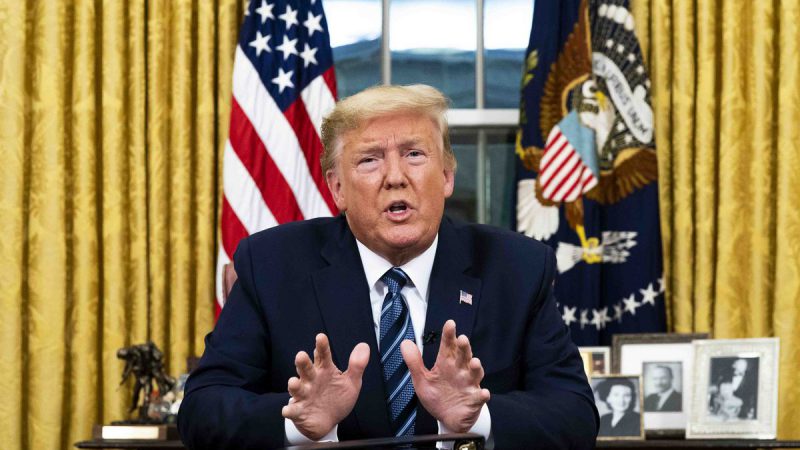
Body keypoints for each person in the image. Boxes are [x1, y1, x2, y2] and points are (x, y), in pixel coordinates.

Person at [177, 84, 599, 449]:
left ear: (447, 176)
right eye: (370, 160)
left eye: (414, 154)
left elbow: (575, 415)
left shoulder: (517, 268)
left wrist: (477, 418)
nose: (395, 177)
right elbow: (201, 410)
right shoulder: (272, 266)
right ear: (337, 188)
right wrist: (296, 421)